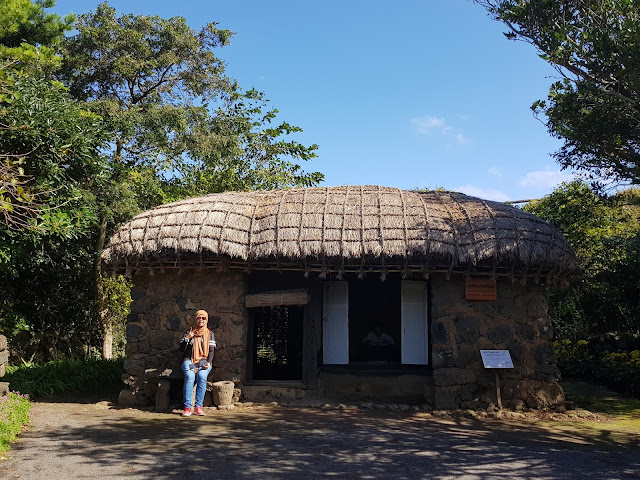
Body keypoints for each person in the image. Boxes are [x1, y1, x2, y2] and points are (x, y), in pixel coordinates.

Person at [179, 309, 216, 417]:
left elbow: (211, 351)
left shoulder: (209, 334)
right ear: (195, 319)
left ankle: (198, 407)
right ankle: (187, 407)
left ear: (206, 319)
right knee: (190, 376)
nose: (201, 320)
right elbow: (181, 349)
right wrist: (187, 338)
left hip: (203, 361)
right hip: (189, 360)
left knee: (202, 376)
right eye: (199, 318)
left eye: (203, 318)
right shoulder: (189, 331)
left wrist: (208, 363)